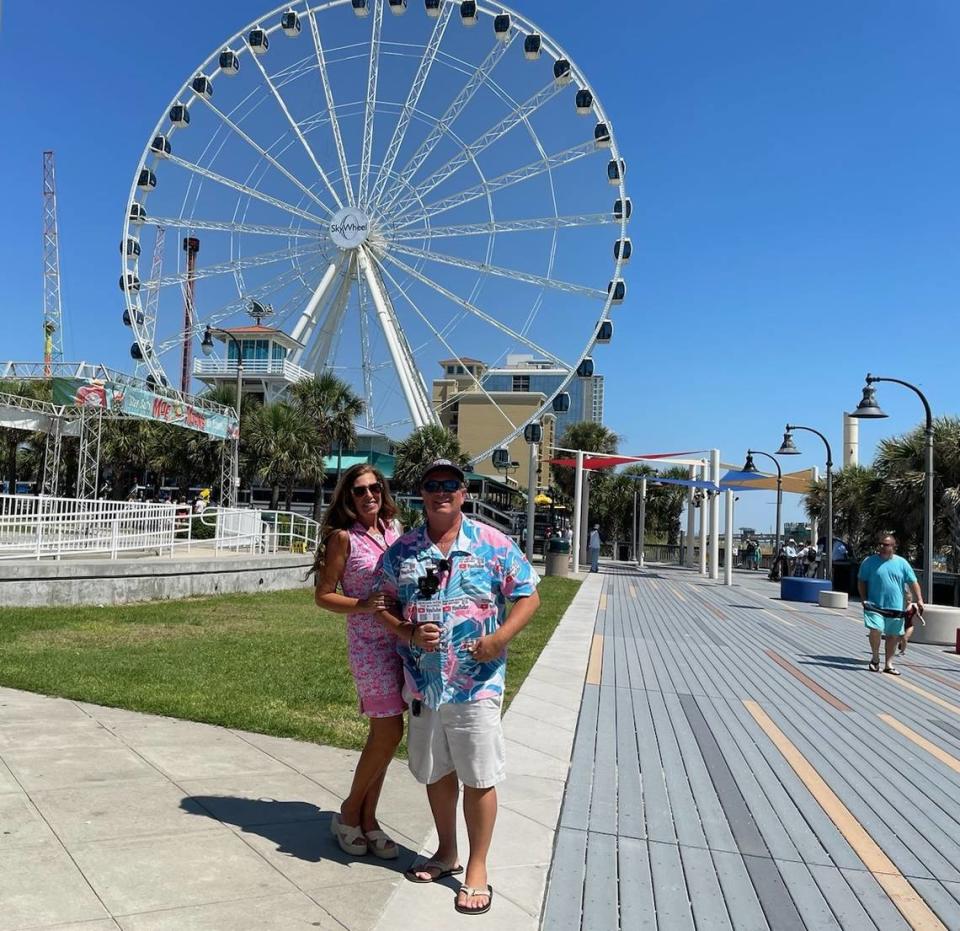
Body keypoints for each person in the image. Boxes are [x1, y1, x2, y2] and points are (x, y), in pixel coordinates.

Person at [377, 459, 540, 915]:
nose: (441, 492)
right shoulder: (403, 551)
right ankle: (446, 851)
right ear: (422, 494)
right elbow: (380, 601)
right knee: (437, 771)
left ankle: (478, 868)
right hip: (426, 685)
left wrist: (500, 638)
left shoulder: (492, 543)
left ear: (463, 492)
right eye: (432, 485)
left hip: (476, 685)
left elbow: (529, 593)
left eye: (450, 485)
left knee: (480, 776)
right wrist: (405, 632)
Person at [313, 464, 405, 859]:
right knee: (388, 732)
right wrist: (363, 605)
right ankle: (350, 811)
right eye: (359, 491)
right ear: (347, 498)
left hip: (402, 640)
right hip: (370, 646)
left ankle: (369, 819)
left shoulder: (393, 530)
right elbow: (323, 595)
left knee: (386, 736)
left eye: (374, 488)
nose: (369, 495)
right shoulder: (343, 539)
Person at [857, 532, 924, 675]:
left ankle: (888, 664)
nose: (881, 547)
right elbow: (861, 580)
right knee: (876, 629)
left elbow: (913, 582)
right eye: (880, 544)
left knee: (893, 636)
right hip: (874, 605)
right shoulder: (869, 562)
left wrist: (919, 599)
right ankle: (875, 658)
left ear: (893, 546)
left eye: (885, 544)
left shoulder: (902, 563)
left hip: (896, 606)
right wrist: (863, 598)